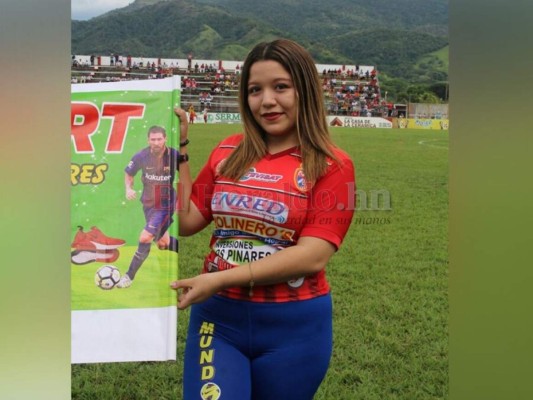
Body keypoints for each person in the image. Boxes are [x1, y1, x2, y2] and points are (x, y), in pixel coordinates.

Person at [171, 39, 355, 399]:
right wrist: (179, 155)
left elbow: (313, 255)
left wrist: (220, 279)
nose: (266, 101)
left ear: (305, 90)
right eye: (255, 90)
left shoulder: (333, 164)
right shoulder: (228, 150)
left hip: (296, 328)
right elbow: (186, 222)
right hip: (217, 320)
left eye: (280, 87)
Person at [117, 124, 188, 288]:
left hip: (165, 202)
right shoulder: (141, 156)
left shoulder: (173, 155)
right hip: (148, 203)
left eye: (159, 139)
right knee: (163, 243)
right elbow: (129, 173)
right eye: (153, 139)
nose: (156, 142)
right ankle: (185, 251)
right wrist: (128, 189)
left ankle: (129, 276)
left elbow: (185, 172)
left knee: (145, 237)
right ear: (148, 140)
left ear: (165, 139)